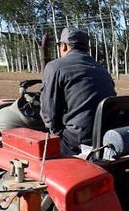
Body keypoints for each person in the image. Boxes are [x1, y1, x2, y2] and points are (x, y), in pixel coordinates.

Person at [41, 27, 116, 155]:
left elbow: (49, 114)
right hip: (106, 136)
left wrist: (57, 132)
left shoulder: (55, 67)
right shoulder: (101, 68)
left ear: (64, 46)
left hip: (76, 141)